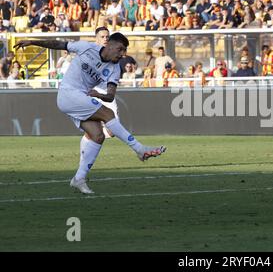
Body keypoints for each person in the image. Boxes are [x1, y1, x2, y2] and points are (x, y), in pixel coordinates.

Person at [14, 33, 167, 195]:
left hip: (80, 98)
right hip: (68, 93)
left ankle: (79, 178)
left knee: (97, 135)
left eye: (124, 51)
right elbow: (59, 44)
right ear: (109, 45)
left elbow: (110, 95)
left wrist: (98, 95)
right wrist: (32, 42)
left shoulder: (114, 69)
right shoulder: (87, 47)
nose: (122, 54)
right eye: (120, 49)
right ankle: (140, 149)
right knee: (107, 113)